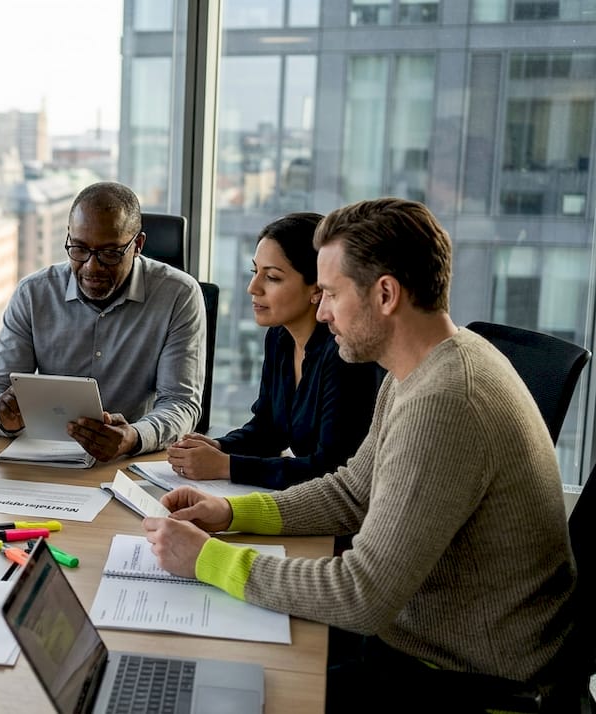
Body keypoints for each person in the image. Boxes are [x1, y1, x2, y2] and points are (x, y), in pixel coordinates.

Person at [143, 198, 576, 709]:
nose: (322, 312)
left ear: (386, 294)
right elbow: (354, 491)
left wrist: (208, 560)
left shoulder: (446, 401)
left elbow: (361, 594)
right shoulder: (421, 368)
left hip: (469, 682)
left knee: (233, 686)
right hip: (423, 646)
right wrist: (232, 511)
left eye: (329, 293)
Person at [0, 181, 206, 462]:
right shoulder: (33, 293)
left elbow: (181, 403)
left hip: (131, 463)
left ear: (137, 245)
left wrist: (133, 437)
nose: (91, 266)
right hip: (44, 460)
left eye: (109, 253)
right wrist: (4, 418)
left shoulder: (178, 295)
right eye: (79, 249)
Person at [166, 212, 380, 490]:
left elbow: (332, 468)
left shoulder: (345, 354)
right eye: (255, 272)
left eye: (273, 277)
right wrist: (217, 446)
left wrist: (224, 465)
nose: (253, 288)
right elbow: (269, 431)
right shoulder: (280, 337)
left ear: (317, 288)